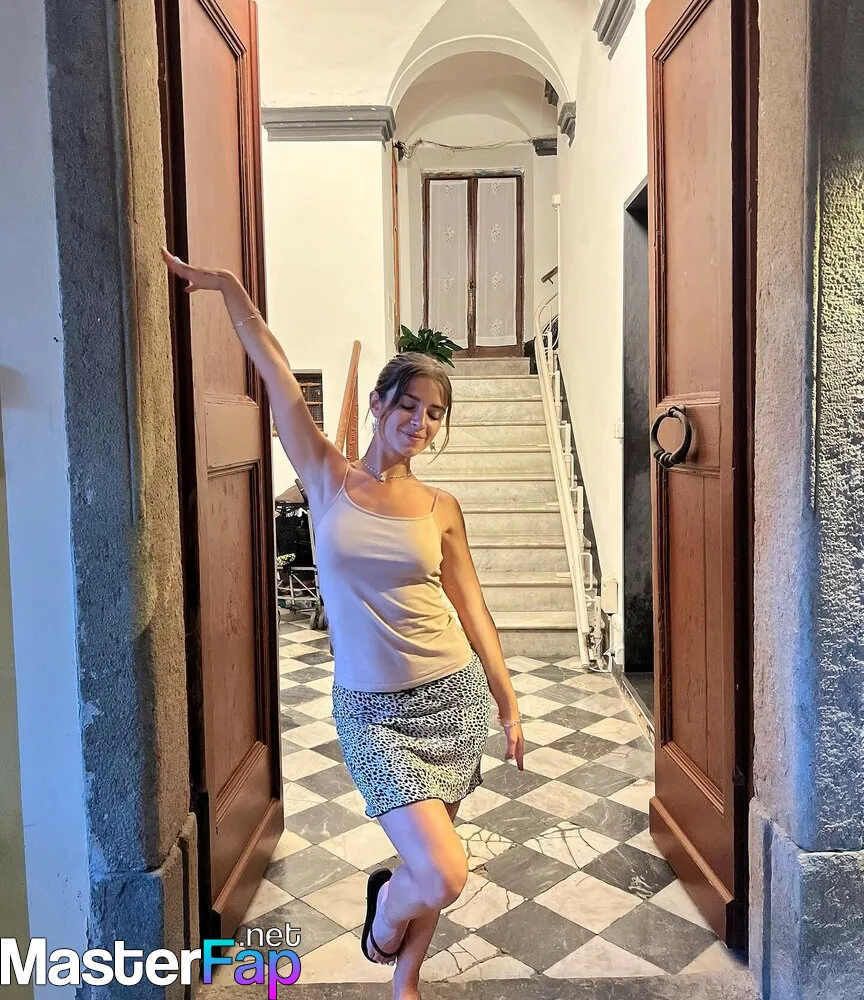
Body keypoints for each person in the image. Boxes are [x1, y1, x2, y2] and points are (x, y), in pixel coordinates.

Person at [162, 249, 524, 1000]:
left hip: (452, 699)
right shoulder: (327, 477)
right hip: (371, 712)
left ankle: (405, 980)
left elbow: (473, 607)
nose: (420, 423)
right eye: (409, 406)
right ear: (379, 404)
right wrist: (230, 291)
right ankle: (384, 916)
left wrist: (508, 700)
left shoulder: (442, 508)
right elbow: (275, 372)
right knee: (441, 872)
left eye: (435, 414)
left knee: (435, 855)